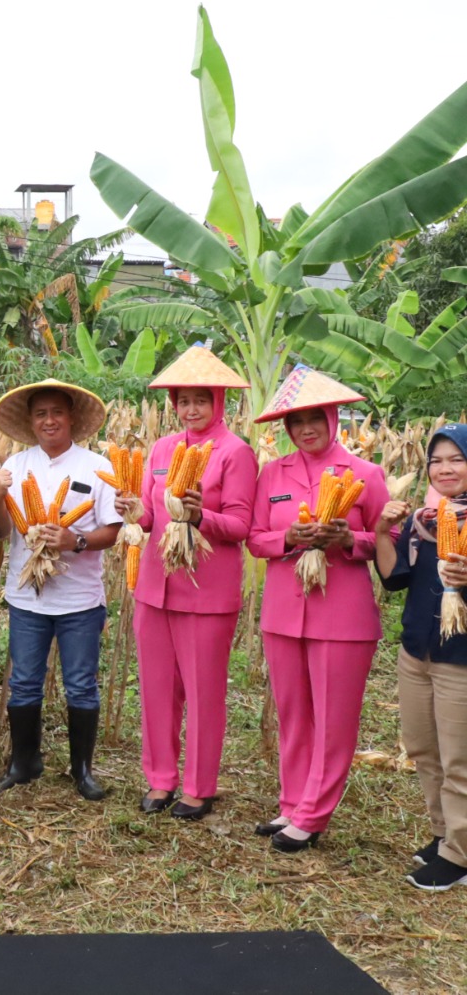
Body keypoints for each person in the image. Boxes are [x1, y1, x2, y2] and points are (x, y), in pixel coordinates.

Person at [247, 366, 388, 852]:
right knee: (294, 712)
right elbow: (255, 539)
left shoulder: (365, 474)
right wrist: (287, 537)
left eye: (315, 419)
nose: (306, 428)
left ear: (333, 418)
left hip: (342, 614)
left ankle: (313, 814)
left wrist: (350, 538)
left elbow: (384, 544)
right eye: (296, 421)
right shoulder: (273, 473)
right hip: (284, 611)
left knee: (333, 719)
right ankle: (292, 803)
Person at [122, 346, 256, 820]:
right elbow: (149, 513)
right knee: (157, 688)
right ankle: (160, 779)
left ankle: (199, 786)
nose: (192, 409)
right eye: (184, 401)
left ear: (219, 403)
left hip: (206, 590)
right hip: (155, 587)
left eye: (202, 400)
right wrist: (130, 512)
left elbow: (241, 525)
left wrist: (202, 516)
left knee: (203, 692)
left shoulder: (235, 453)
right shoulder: (162, 449)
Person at [0, 379, 121, 801]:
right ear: (30, 421)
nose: (49, 420)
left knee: (81, 684)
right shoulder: (15, 468)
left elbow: (111, 531)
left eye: (57, 412)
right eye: (41, 413)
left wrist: (74, 541)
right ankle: (23, 763)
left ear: (72, 418)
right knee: (24, 682)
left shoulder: (97, 467)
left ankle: (81, 769)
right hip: (26, 597)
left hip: (80, 599)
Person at [375, 422, 467, 891]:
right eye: (437, 460)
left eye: (456, 459)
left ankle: (460, 852)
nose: (445, 468)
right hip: (417, 650)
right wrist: (381, 530)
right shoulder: (424, 522)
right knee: (423, 748)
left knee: (459, 760)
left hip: (460, 659)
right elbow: (394, 579)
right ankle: (442, 831)